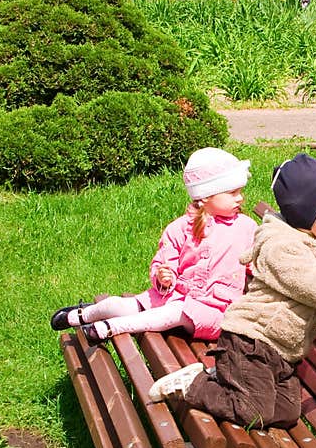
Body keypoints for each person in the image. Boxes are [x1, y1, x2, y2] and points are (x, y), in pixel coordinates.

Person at [148, 152, 316, 430]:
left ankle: (226, 378)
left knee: (287, 413)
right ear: (308, 210)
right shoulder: (282, 249)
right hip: (251, 343)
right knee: (254, 412)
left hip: (280, 352)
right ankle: (193, 385)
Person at [50, 147, 256, 345]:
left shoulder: (246, 227)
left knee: (174, 313)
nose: (240, 197)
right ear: (204, 197)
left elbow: (256, 265)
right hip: (176, 296)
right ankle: (83, 314)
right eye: (232, 192)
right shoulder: (180, 228)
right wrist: (164, 277)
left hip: (215, 311)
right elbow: (165, 259)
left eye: (239, 191)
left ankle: (113, 327)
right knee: (122, 304)